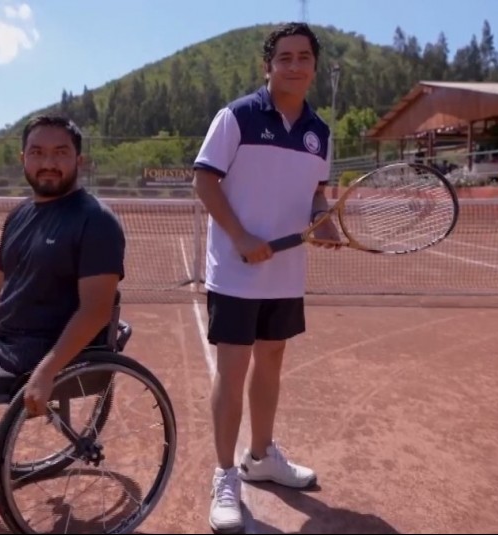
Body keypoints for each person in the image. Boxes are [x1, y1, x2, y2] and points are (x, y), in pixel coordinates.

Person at [191, 22, 340, 533]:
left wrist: (327, 222)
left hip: (286, 274)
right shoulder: (237, 117)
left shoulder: (320, 131)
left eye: (303, 57)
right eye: (284, 57)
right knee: (232, 370)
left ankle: (261, 458)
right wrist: (240, 237)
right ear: (268, 66)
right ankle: (226, 475)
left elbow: (317, 195)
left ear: (313, 68)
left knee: (271, 361)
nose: (294, 65)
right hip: (235, 272)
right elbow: (204, 181)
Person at [0, 115, 126, 418]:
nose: (48, 162)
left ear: (79, 160)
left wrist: (47, 370)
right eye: (37, 152)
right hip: (8, 345)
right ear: (23, 158)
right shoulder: (19, 214)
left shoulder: (96, 220)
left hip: (50, 354)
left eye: (61, 152)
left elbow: (97, 309)